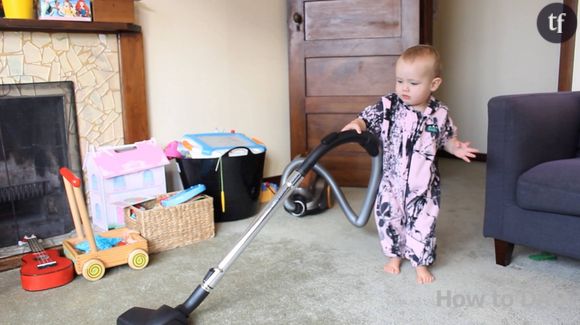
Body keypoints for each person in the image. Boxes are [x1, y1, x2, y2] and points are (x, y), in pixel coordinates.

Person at [341, 44, 478, 284]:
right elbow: (365, 118)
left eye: (413, 84)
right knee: (389, 219)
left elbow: (446, 139)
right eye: (399, 81)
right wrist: (356, 125)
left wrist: (456, 147)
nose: (404, 88)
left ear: (433, 84)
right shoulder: (388, 106)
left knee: (423, 224)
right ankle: (394, 255)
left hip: (424, 186)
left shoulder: (439, 114)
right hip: (392, 181)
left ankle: (421, 263)